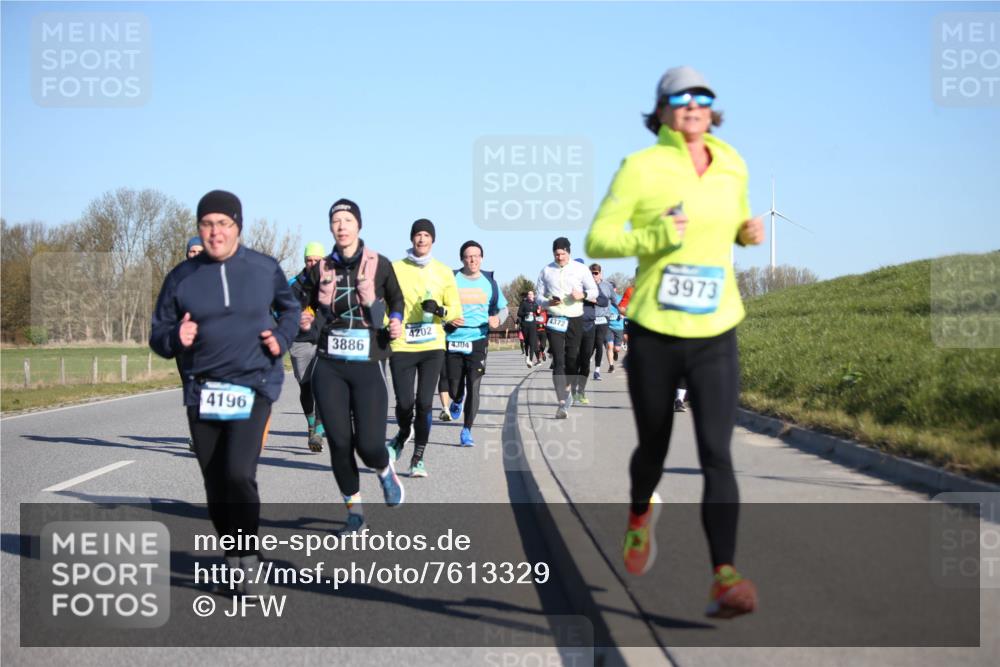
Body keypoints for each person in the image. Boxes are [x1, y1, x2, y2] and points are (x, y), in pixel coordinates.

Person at [585, 65, 765, 619]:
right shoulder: (640, 167)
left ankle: (723, 575)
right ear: (661, 110)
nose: (693, 104)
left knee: (716, 451)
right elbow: (600, 237)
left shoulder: (732, 161)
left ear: (713, 108)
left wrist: (744, 231)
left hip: (715, 329)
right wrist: (658, 233)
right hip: (657, 330)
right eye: (680, 97)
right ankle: (640, 512)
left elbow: (731, 217)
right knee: (655, 449)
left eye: (703, 96)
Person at [150, 190, 300, 592]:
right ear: (199, 228)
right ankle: (233, 559)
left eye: (224, 224)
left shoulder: (263, 268)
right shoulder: (182, 277)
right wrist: (176, 338)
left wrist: (281, 339)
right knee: (215, 482)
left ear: (238, 227)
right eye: (207, 224)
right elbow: (158, 333)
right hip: (203, 390)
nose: (215, 232)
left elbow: (290, 310)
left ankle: (248, 561)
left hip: (254, 384)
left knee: (238, 472)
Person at [300, 199, 406, 533]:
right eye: (336, 221)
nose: (342, 226)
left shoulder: (380, 264)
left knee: (369, 445)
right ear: (331, 227)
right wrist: (302, 314)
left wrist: (397, 320)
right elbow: (291, 298)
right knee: (339, 443)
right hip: (329, 364)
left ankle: (385, 470)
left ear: (358, 225)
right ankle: (355, 513)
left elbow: (397, 299)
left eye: (348, 220)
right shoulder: (319, 269)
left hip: (368, 362)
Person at [387, 219, 462, 477]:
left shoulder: (443, 271)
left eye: (426, 235)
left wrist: (440, 310)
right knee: (405, 403)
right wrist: (388, 324)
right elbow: (382, 304)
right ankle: (401, 434)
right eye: (418, 235)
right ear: (411, 239)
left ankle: (418, 458)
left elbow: (455, 311)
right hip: (402, 344)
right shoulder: (394, 268)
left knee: (424, 403)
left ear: (433, 240)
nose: (422, 239)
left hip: (432, 345)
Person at [444, 240, 507, 446]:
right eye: (468, 256)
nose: (472, 259)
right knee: (455, 387)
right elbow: (438, 305)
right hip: (453, 339)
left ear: (481, 258)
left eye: (476, 256)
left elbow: (503, 308)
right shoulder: (451, 279)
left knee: (474, 385)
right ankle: (457, 399)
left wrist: (498, 319)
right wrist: (447, 318)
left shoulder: (489, 283)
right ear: (462, 258)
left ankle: (466, 430)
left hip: (478, 339)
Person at [535, 237, 598, 419]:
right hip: (555, 318)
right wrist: (548, 301)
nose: (560, 257)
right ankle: (562, 402)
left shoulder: (581, 269)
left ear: (569, 252)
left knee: (572, 358)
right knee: (558, 359)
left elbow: (594, 291)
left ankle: (569, 388)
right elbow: (539, 296)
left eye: (562, 254)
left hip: (574, 318)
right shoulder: (546, 270)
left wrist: (583, 294)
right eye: (556, 254)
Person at [288, 241, 328, 452]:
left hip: (324, 341)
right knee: (306, 386)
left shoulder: (331, 283)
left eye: (316, 260)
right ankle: (311, 424)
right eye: (309, 259)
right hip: (300, 342)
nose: (312, 263)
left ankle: (318, 432)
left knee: (322, 384)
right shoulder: (294, 284)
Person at [589, 264, 618, 382]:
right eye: (591, 273)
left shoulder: (607, 286)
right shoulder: (586, 286)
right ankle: (584, 365)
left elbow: (615, 300)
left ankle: (597, 370)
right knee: (590, 345)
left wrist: (622, 310)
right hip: (590, 319)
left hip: (603, 318)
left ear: (600, 273)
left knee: (599, 342)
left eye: (596, 273)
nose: (593, 275)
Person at [517, 290, 542, 367]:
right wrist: (526, 313)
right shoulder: (524, 303)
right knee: (527, 342)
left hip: (533, 325)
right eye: (529, 294)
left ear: (533, 296)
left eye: (531, 294)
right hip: (525, 325)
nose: (530, 295)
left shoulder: (536, 304)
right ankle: (527, 356)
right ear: (527, 296)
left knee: (532, 342)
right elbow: (519, 313)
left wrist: (538, 312)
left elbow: (538, 314)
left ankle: (530, 360)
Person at [605, 287, 626, 373]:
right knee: (609, 346)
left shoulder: (620, 298)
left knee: (617, 348)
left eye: (612, 289)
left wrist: (623, 314)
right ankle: (611, 366)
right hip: (608, 326)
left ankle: (615, 352)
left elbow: (626, 309)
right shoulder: (605, 299)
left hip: (619, 327)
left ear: (615, 289)